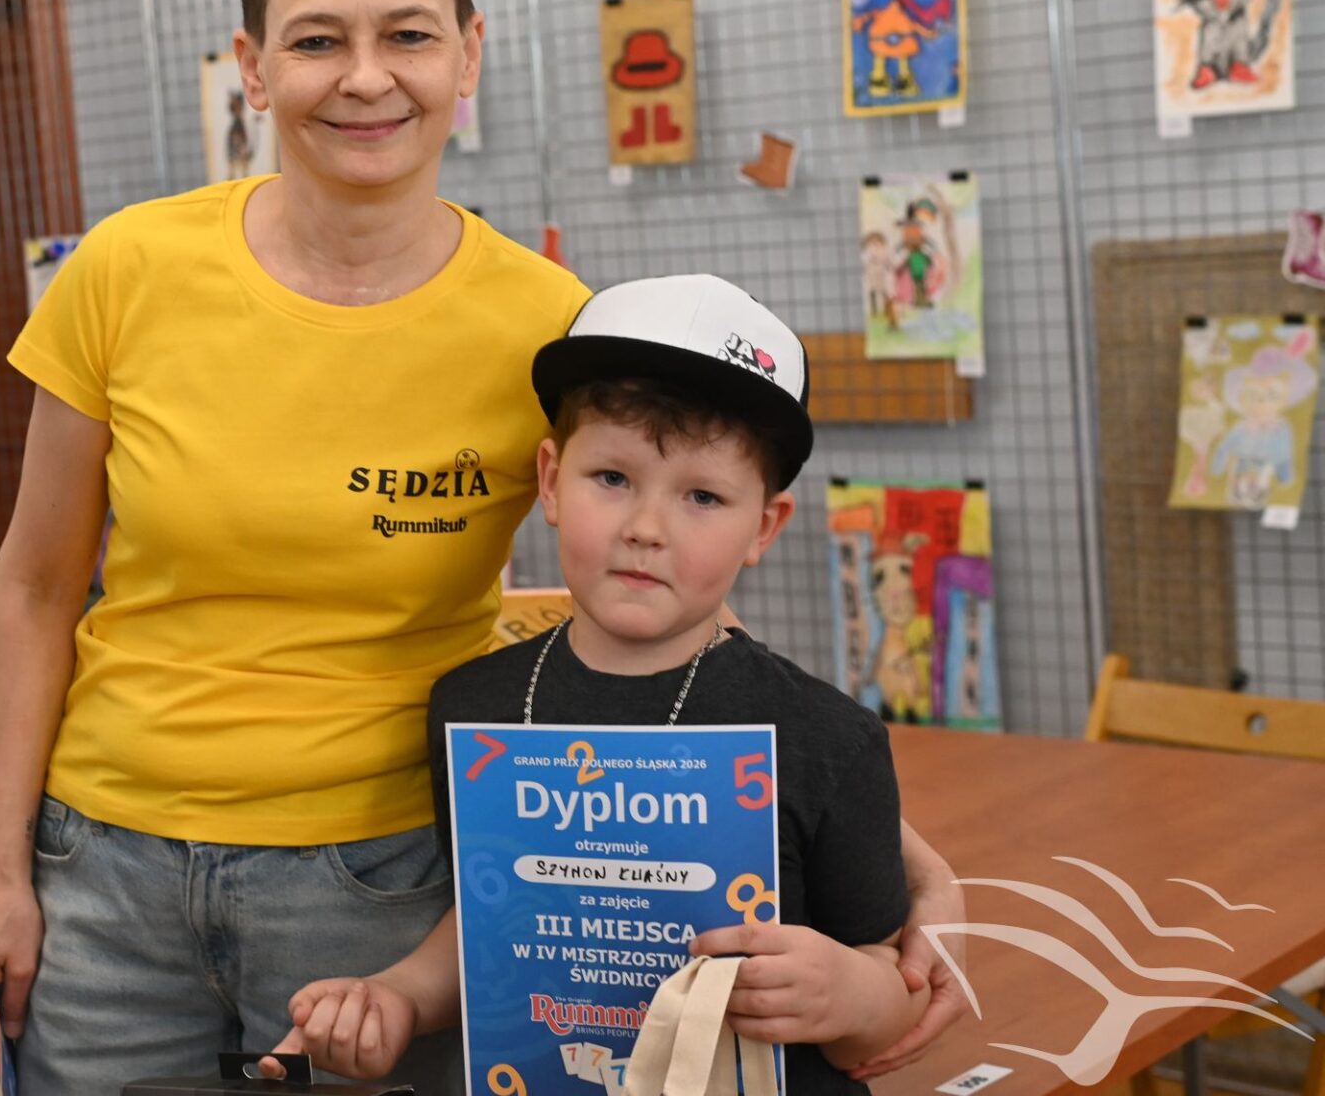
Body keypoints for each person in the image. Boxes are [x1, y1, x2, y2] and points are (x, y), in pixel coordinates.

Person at [0, 0, 967, 1093]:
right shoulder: (125, 270)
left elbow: (661, 596)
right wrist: (4, 872)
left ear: (468, 53)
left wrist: (899, 856)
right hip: (101, 873)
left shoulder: (546, 324)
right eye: (317, 40)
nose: (365, 76)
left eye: (409, 35)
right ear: (252, 66)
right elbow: (34, 586)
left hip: (391, 887)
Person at [278, 275, 931, 1093]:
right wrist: (399, 997)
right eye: (612, 479)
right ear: (551, 481)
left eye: (703, 496)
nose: (646, 529)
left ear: (763, 527)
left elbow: (893, 987)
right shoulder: (473, 709)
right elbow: (487, 929)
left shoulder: (828, 738)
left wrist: (852, 992)